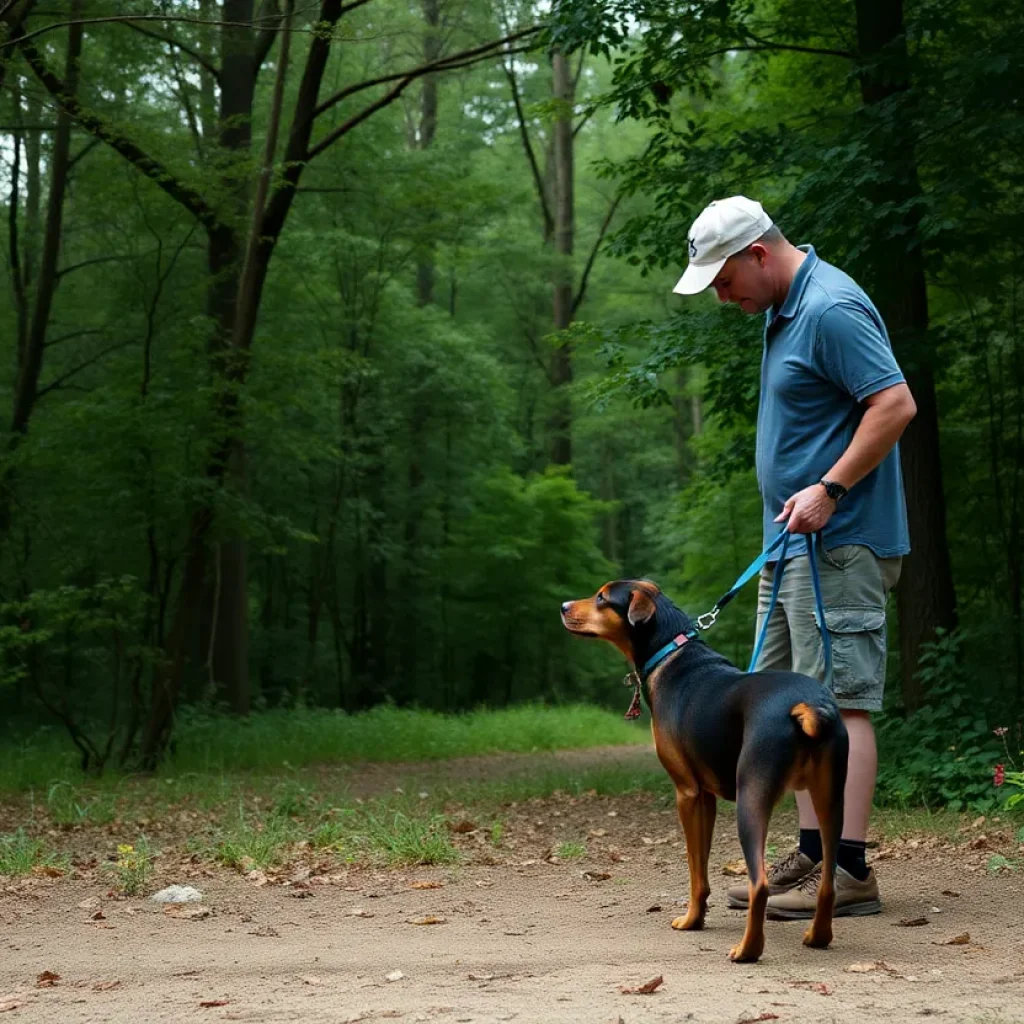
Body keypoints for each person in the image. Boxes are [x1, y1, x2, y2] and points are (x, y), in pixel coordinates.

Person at [673, 196, 917, 917]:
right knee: (786, 704)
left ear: (758, 253)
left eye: (724, 281)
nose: (723, 298)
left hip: (839, 543)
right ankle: (814, 854)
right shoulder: (783, 311)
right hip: (789, 547)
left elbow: (895, 405)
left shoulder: (831, 307)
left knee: (840, 705)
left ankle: (850, 870)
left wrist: (830, 490)